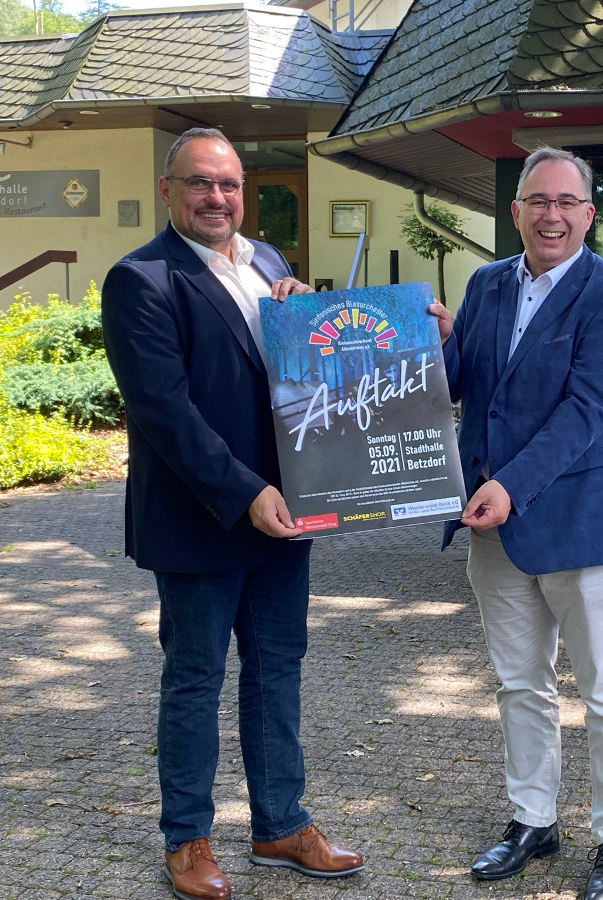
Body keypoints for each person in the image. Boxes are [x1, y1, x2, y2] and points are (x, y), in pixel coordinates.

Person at [100, 127, 364, 900]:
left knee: (279, 671)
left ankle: (281, 823)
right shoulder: (140, 279)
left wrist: (310, 319)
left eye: (229, 184)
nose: (217, 198)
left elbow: (305, 378)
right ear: (167, 190)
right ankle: (186, 839)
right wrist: (246, 492)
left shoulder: (272, 264)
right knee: (195, 679)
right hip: (201, 519)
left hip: (289, 516)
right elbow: (165, 413)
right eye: (199, 184)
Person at [429, 146, 603, 900]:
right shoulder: (487, 284)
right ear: (516, 210)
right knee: (520, 685)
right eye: (536, 200)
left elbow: (586, 412)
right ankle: (533, 821)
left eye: (566, 201)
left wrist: (509, 487)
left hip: (583, 525)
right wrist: (429, 343)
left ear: (589, 214)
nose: (550, 214)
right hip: (495, 529)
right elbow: (459, 387)